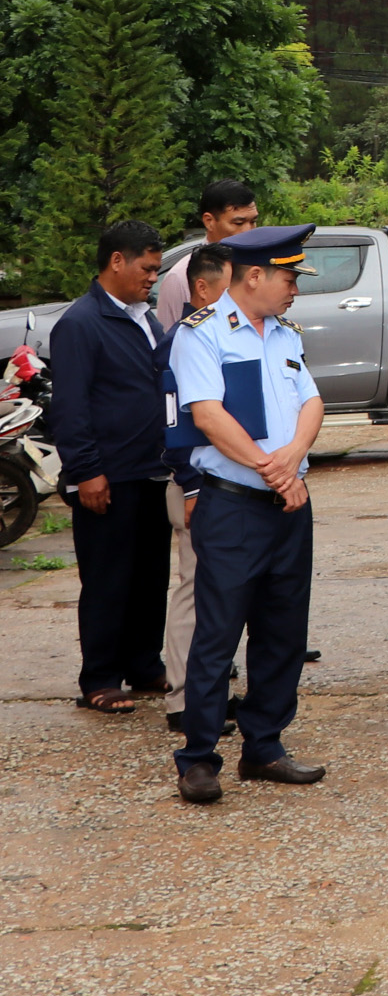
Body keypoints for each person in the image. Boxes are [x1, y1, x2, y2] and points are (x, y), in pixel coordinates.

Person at [171, 225, 327, 804]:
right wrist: (273, 468)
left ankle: (264, 747)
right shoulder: (203, 335)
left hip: (288, 506)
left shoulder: (285, 334)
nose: (295, 290)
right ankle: (198, 758)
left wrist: (290, 460)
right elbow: (208, 416)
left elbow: (311, 401)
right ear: (254, 276)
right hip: (234, 506)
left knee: (283, 632)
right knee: (218, 634)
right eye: (289, 278)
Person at [50, 221, 174, 716]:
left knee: (149, 575)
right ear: (116, 261)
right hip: (109, 475)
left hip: (152, 470)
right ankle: (99, 677)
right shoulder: (81, 323)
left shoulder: (147, 318)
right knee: (107, 579)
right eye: (146, 269)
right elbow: (71, 407)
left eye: (156, 270)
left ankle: (144, 664)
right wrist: (86, 471)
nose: (152, 279)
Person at [160, 244, 231, 736]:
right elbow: (172, 427)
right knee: (192, 587)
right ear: (202, 289)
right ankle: (183, 697)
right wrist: (189, 486)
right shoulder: (179, 341)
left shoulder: (225, 335)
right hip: (195, 484)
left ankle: (212, 689)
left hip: (226, 483)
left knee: (222, 591)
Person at [154, 179, 257, 332]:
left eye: (253, 221)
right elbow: (174, 342)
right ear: (209, 221)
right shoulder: (181, 276)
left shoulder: (258, 266)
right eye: (239, 223)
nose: (248, 231)